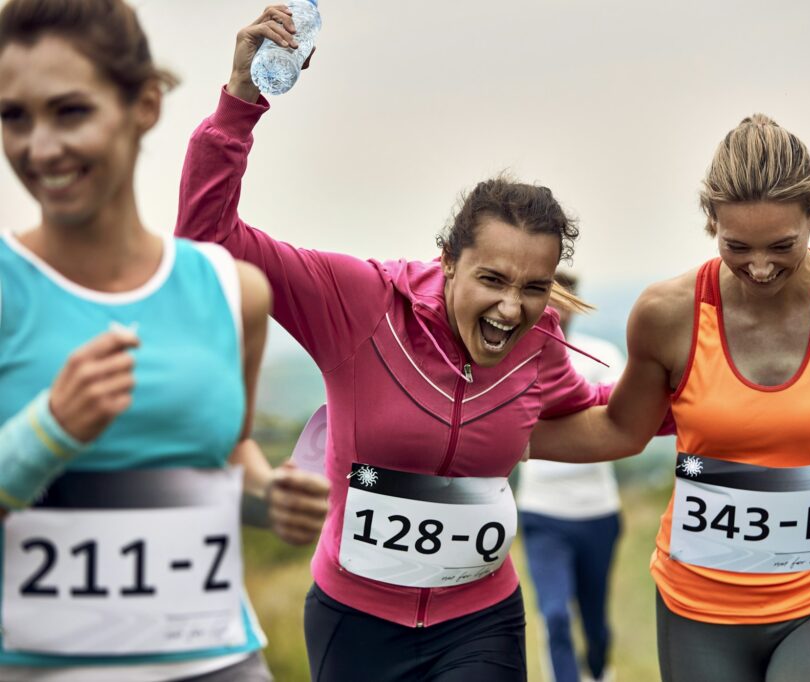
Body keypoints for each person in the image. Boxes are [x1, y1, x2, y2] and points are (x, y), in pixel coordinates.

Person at [174, 7, 613, 681]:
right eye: (492, 279)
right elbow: (209, 241)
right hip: (354, 622)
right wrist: (241, 100)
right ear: (448, 261)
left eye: (533, 287)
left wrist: (714, 384)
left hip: (481, 623)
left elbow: (605, 410)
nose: (510, 307)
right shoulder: (359, 302)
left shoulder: (540, 345)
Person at [530, 114, 810, 681]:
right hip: (700, 607)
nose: (761, 266)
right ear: (710, 222)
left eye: (782, 245)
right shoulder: (667, 315)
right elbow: (622, 428)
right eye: (737, 246)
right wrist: (488, 439)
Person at [0, 1, 328, 680]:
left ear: (144, 105)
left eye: (70, 112)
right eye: (13, 117)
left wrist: (274, 498)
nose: (40, 147)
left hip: (220, 661)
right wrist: (48, 432)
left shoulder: (234, 291)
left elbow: (224, 457)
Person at [516, 271, 623, 682]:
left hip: (598, 512)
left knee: (595, 623)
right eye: (547, 297)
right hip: (543, 513)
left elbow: (616, 422)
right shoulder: (514, 360)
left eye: (563, 298)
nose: (555, 308)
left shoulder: (603, 355)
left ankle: (600, 672)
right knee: (555, 615)